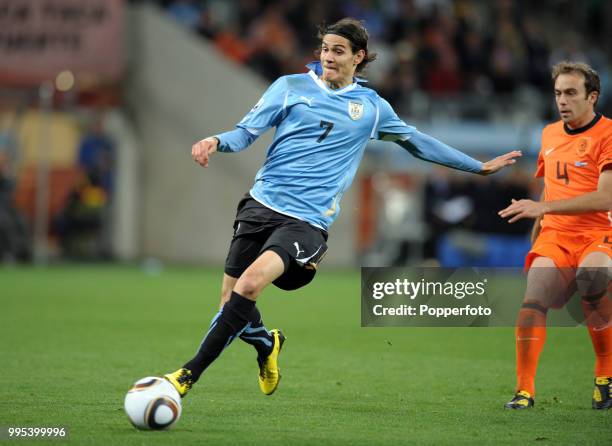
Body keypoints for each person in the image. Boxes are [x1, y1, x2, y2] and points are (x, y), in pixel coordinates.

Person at [164, 18, 521, 398]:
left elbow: (417, 142)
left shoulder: (370, 108)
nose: (328, 57)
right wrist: (216, 140)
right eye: (324, 49)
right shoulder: (289, 88)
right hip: (259, 205)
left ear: (358, 57)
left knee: (249, 285)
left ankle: (186, 376)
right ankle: (267, 344)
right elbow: (245, 133)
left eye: (338, 51)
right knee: (228, 303)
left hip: (306, 222)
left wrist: (478, 167)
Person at [499, 61, 612, 410]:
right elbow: (551, 190)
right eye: (558, 93)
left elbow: (606, 196)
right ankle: (524, 391)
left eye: (571, 93)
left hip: (598, 232)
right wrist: (538, 230)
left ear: (592, 97)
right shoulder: (549, 134)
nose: (562, 100)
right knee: (534, 298)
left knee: (593, 277)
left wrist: (542, 210)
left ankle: (605, 375)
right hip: (556, 235)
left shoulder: (608, 134)